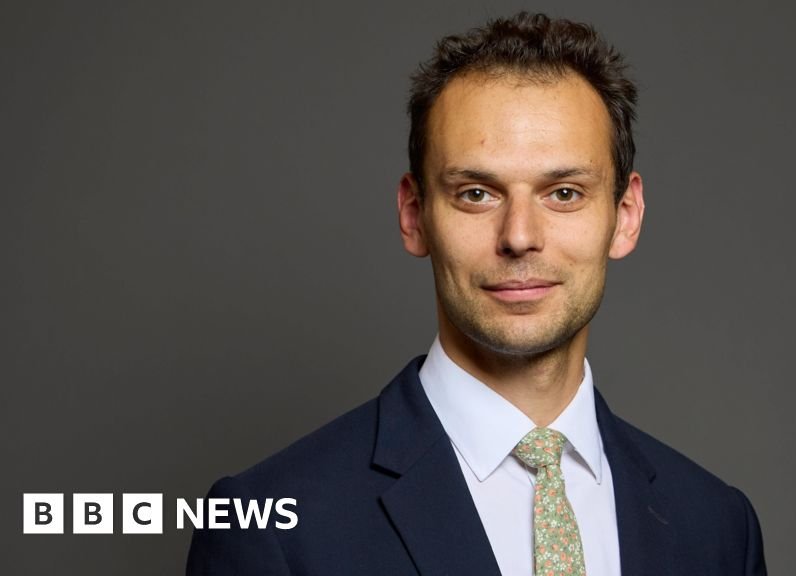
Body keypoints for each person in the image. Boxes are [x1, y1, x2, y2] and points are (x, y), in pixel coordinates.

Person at [186, 12, 766, 576]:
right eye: (476, 194)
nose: (519, 236)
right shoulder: (269, 528)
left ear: (626, 215)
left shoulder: (717, 527)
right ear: (414, 215)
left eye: (564, 193)